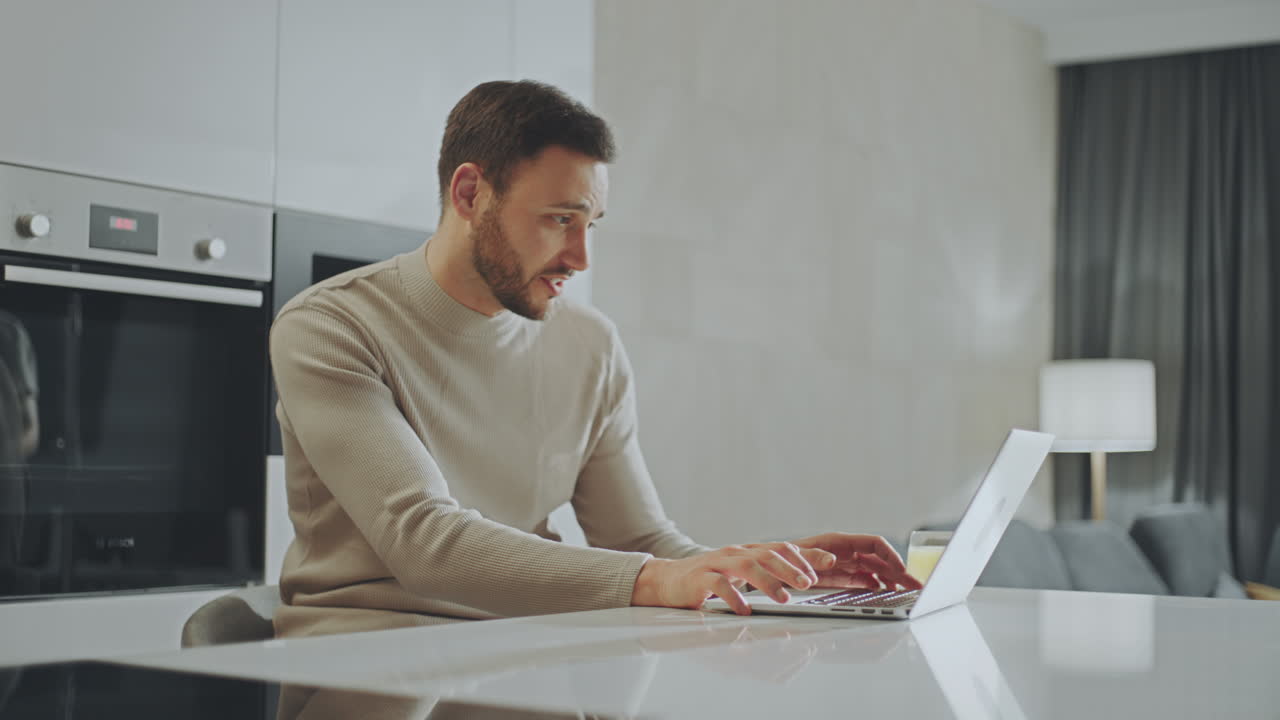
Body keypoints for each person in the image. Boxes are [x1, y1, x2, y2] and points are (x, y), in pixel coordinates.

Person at [270, 80, 919, 638]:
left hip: (526, 652)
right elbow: (425, 542)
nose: (581, 258)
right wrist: (664, 578)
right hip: (368, 661)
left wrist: (765, 570)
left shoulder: (590, 345)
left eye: (592, 226)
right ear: (470, 195)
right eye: (559, 219)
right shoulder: (330, 327)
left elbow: (640, 545)